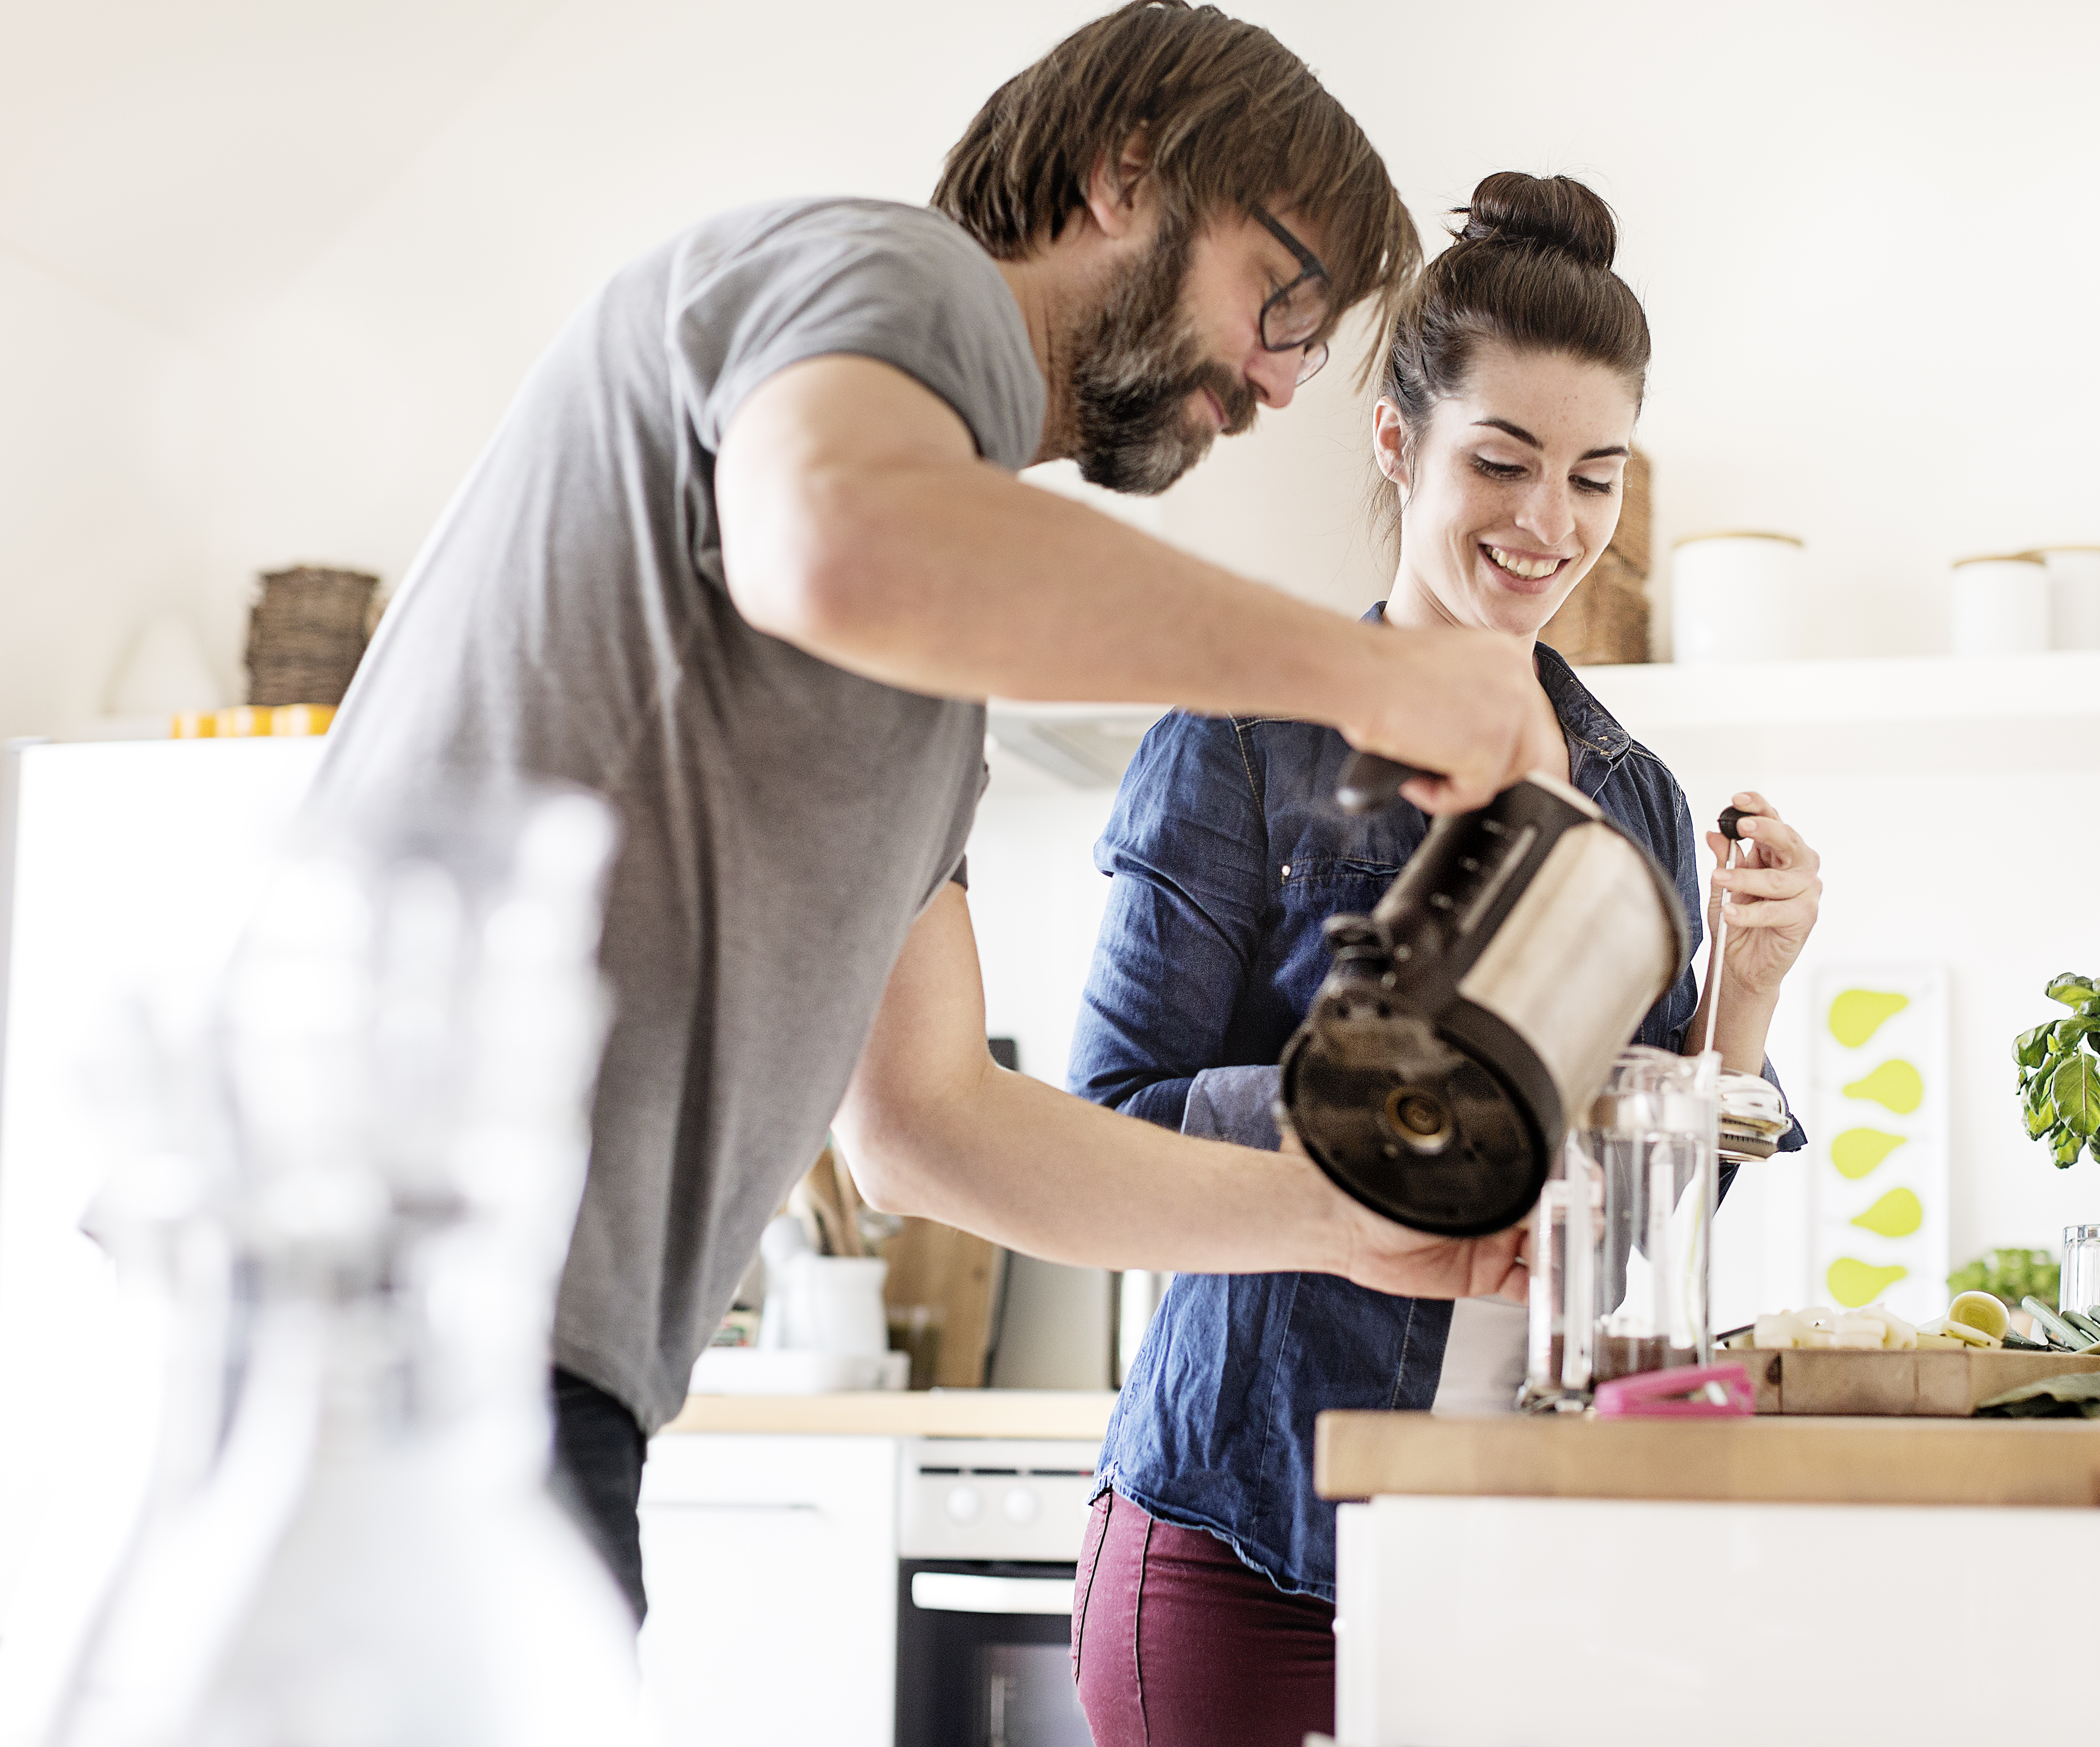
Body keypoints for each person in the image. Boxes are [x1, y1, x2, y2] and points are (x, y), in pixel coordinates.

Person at [307, 3, 1559, 1622]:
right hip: (390, 1337)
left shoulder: (927, 691)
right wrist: (1366, 679)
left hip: (533, 1377)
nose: (1274, 384)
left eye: (1310, 348)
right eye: (1281, 295)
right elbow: (836, 535)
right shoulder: (901, 281)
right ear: (1129, 175)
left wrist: (1341, 1222)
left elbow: (925, 1127)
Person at [1064, 172, 1824, 1747]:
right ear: (1399, 443)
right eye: (1503, 461)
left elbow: (1646, 1232)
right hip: (1249, 1537)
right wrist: (1403, 1129)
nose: (1550, 525)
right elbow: (1110, 1119)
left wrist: (1746, 994)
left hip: (1523, 1538)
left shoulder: (1632, 795)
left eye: (1596, 477)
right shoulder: (1245, 739)